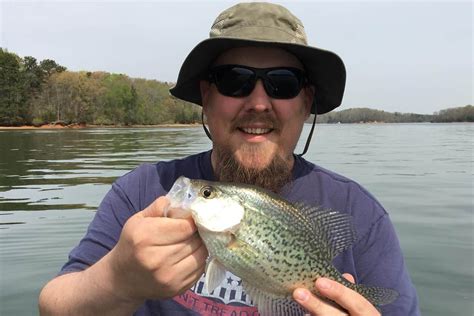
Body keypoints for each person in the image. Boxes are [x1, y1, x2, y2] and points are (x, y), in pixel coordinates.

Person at [39, 2, 419, 315]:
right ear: (206, 97)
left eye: (282, 83)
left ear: (306, 103)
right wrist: (116, 280)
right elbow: (53, 305)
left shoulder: (361, 214)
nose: (257, 103)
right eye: (234, 80)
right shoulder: (142, 192)